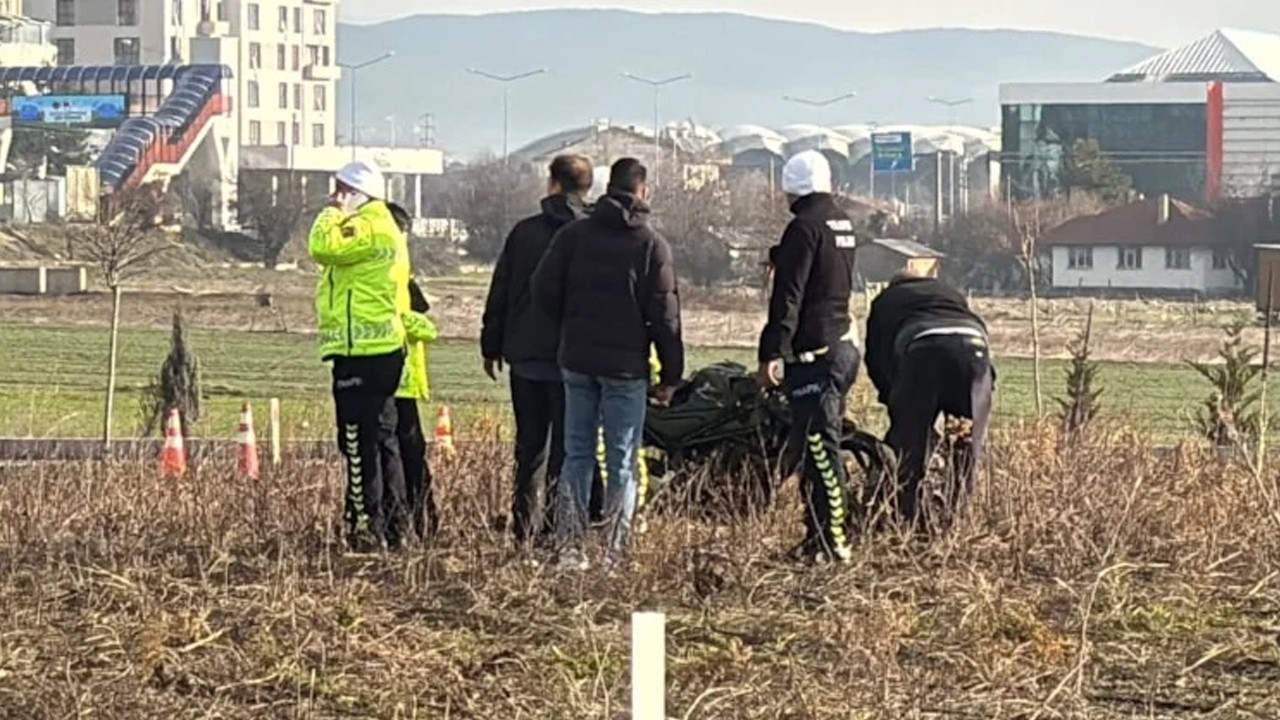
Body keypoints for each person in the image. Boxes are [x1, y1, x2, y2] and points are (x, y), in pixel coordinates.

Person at [532, 157, 683, 570]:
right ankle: (614, 555)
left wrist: (568, 325)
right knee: (621, 460)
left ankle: (570, 548)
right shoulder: (651, 244)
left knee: (576, 454)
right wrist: (671, 376)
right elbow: (666, 319)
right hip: (626, 368)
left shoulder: (573, 235)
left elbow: (542, 288)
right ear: (643, 191)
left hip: (577, 360)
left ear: (605, 186)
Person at [481, 154, 595, 550]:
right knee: (569, 451)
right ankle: (558, 531)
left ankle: (523, 531)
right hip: (574, 360)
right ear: (587, 188)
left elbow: (502, 291)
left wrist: (490, 344)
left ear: (553, 185)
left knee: (530, 449)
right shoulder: (591, 234)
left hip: (526, 357)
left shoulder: (524, 233)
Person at [756, 150, 860, 565]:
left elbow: (790, 296)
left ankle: (832, 543)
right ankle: (818, 538)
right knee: (817, 448)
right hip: (843, 345)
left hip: (815, 354)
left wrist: (772, 353)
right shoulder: (840, 222)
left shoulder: (803, 227)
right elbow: (824, 272)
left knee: (820, 452)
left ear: (789, 188)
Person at [308, 160, 411, 553]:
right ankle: (396, 525)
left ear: (353, 191)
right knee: (385, 438)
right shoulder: (386, 226)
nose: (334, 198)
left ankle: (365, 525)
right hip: (383, 348)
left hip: (360, 351)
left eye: (339, 191)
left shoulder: (365, 224)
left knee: (356, 440)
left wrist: (332, 213)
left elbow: (322, 247)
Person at [864, 268, 994, 529]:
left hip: (922, 352)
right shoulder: (950, 293)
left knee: (911, 445)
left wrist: (893, 399)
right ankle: (957, 522)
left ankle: (911, 521)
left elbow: (875, 357)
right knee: (965, 445)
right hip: (975, 354)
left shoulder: (886, 299)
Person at [388, 202, 440, 544]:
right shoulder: (388, 273)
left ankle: (421, 522)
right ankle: (409, 523)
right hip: (395, 376)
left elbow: (421, 307)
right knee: (404, 454)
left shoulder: (403, 275)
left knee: (411, 453)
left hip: (406, 378)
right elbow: (415, 319)